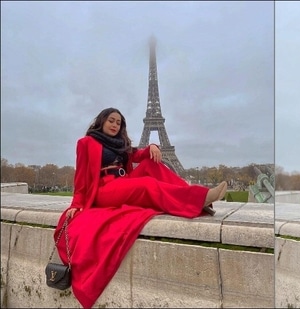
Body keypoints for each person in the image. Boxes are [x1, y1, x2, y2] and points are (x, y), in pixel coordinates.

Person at [53, 107, 227, 308]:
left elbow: (139, 155)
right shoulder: (86, 143)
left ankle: (196, 197)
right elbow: (81, 177)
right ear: (101, 121)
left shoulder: (121, 145)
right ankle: (199, 197)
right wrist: (77, 204)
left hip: (123, 182)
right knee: (146, 185)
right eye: (111, 120)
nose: (115, 125)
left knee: (152, 164)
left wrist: (152, 145)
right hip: (104, 189)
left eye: (119, 123)